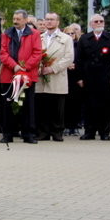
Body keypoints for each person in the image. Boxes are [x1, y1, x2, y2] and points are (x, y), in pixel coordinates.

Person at [0, 9, 42, 144]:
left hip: (27, 75)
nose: (15, 21)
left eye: (18, 19)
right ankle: (7, 134)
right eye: (14, 18)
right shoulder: (6, 33)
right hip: (9, 74)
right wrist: (14, 66)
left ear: (25, 20)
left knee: (27, 105)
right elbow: (2, 52)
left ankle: (28, 134)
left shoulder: (34, 34)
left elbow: (37, 53)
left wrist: (25, 67)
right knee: (7, 105)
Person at [75, 14, 110, 140]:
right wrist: (79, 78)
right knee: (88, 105)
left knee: (105, 106)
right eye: (96, 21)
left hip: (105, 76)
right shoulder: (84, 39)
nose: (99, 23)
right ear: (91, 24)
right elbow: (78, 60)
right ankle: (89, 131)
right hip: (88, 77)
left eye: (101, 21)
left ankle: (104, 132)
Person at [35, 12, 74, 141]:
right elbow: (35, 55)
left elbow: (69, 58)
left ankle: (57, 132)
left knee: (57, 106)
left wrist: (52, 68)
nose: (49, 22)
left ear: (58, 22)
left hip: (57, 76)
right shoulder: (39, 37)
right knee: (42, 105)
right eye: (47, 19)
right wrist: (40, 67)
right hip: (41, 77)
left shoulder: (66, 38)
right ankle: (43, 131)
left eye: (52, 19)